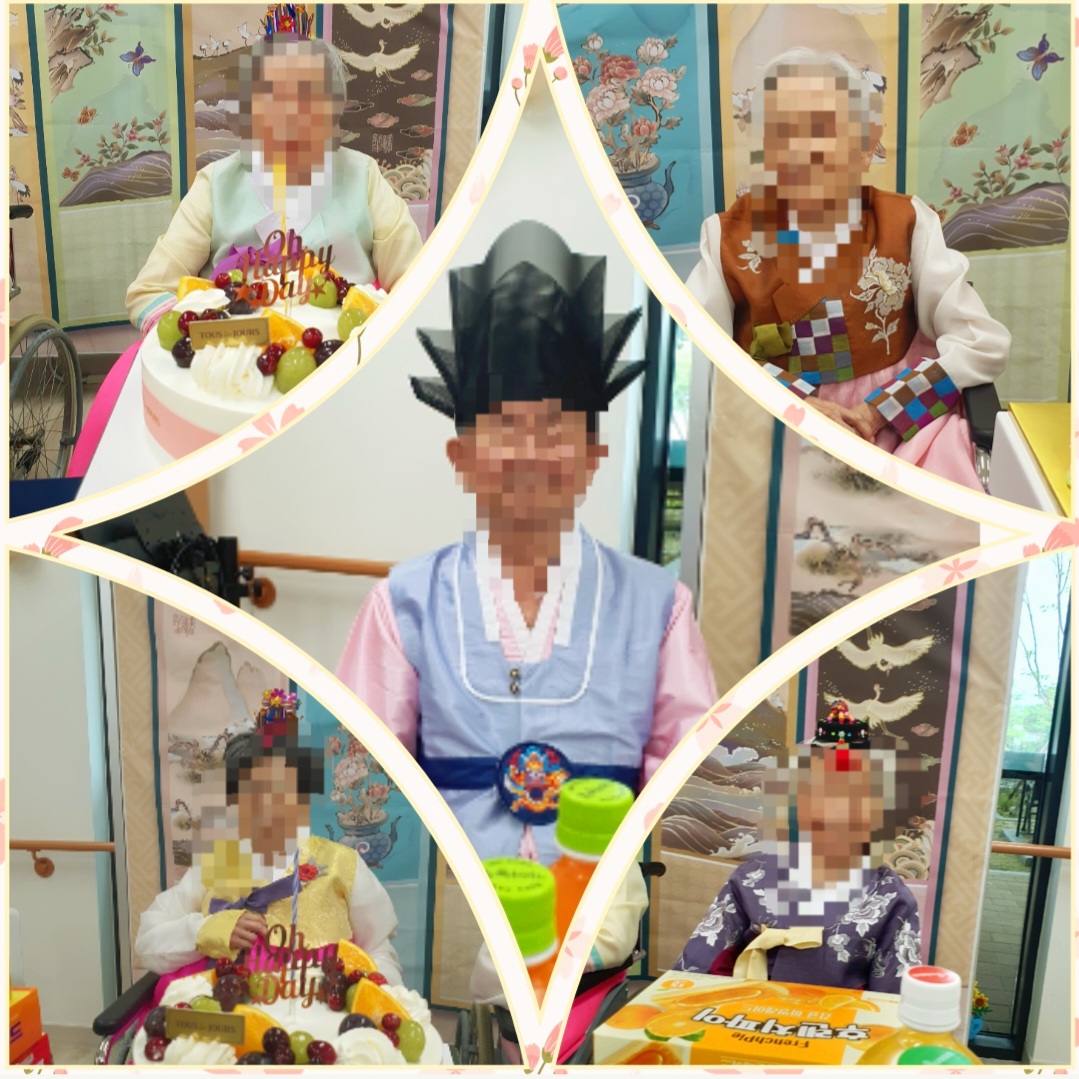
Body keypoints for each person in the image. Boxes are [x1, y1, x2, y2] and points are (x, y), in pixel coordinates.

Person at [337, 220, 717, 996]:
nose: (530, 452)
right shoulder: (402, 605)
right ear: (462, 457)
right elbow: (366, 770)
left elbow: (684, 772)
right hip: (452, 912)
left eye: (554, 428)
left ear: (593, 455)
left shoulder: (658, 607)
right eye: (504, 428)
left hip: (597, 919)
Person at [688, 48, 1010, 490]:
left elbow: (983, 342)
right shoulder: (725, 237)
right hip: (777, 432)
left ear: (862, 148)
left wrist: (881, 410)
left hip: (904, 433)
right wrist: (795, 406)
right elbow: (696, 356)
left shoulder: (906, 222)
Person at [125, 33, 421, 333]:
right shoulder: (216, 183)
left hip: (348, 350)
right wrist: (200, 338)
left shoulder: (363, 176)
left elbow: (415, 281)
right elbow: (149, 291)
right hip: (236, 349)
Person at [135, 733, 403, 985]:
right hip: (229, 1009)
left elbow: (379, 951)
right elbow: (148, 942)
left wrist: (371, 996)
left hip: (320, 1010)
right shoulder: (212, 864)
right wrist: (207, 930)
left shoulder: (343, 864)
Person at [673, 731, 922, 993]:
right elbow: (703, 957)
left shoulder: (889, 894)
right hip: (751, 1005)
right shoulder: (751, 877)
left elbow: (892, 990)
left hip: (839, 1013)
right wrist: (684, 998)